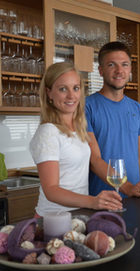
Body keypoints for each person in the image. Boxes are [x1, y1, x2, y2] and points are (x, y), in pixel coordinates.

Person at [29, 62, 122, 216]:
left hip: (77, 215)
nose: (71, 96)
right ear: (49, 93)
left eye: (75, 88)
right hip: (53, 218)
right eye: (62, 89)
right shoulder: (48, 132)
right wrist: (93, 201)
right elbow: (51, 190)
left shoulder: (78, 129)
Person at [85, 41, 140, 197]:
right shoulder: (86, 107)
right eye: (111, 65)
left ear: (130, 69)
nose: (119, 71)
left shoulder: (137, 108)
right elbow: (94, 159)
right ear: (101, 70)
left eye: (124, 65)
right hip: (102, 199)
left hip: (135, 197)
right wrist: (127, 187)